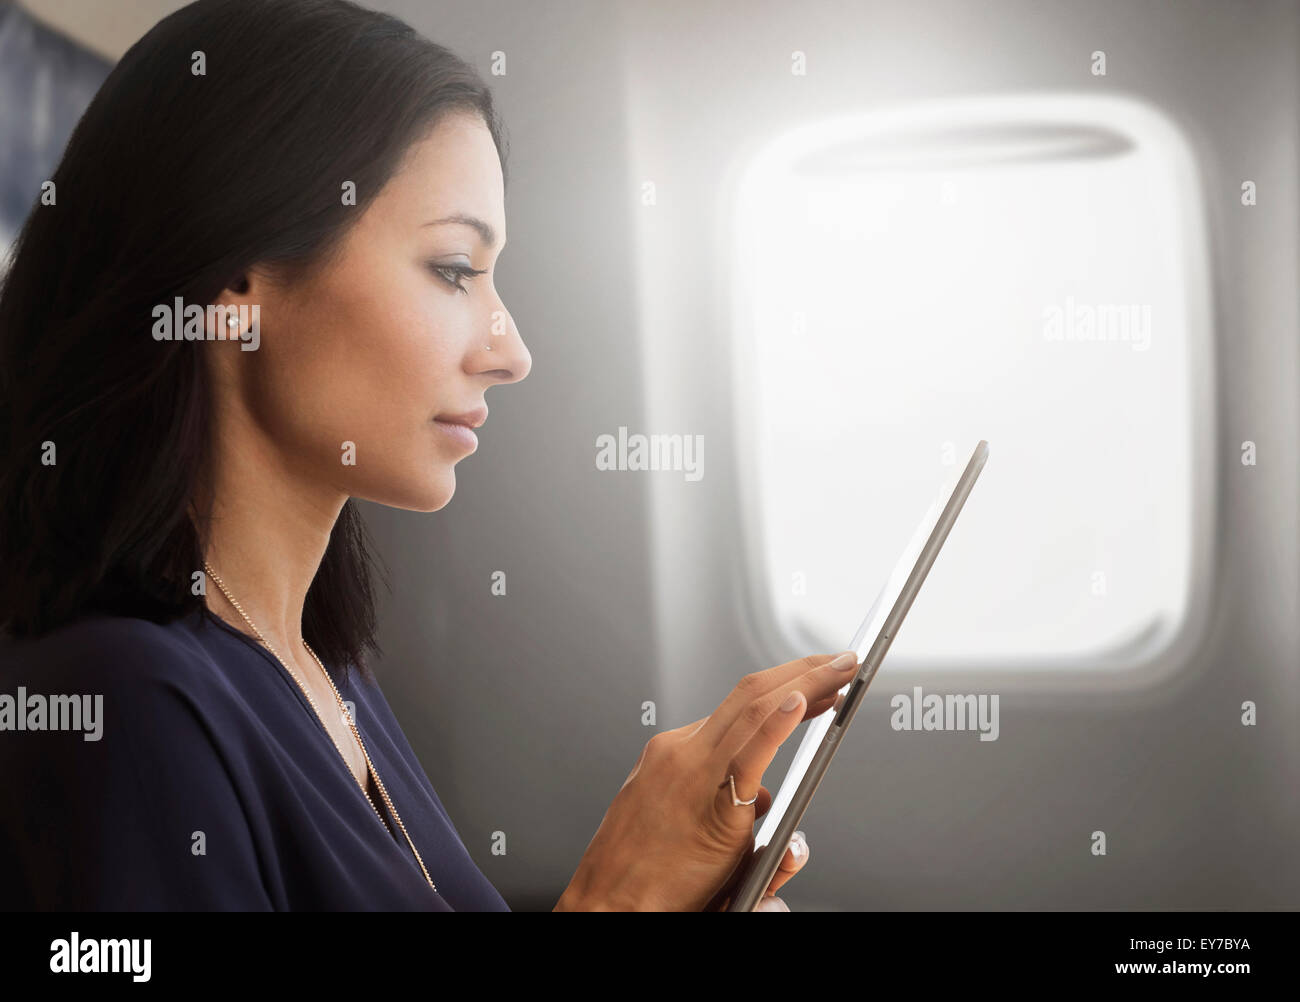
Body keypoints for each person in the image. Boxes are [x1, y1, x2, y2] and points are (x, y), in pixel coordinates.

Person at [0, 0, 853, 911]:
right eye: (453, 269)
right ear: (234, 284)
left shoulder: (328, 674)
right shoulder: (124, 703)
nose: (510, 350)